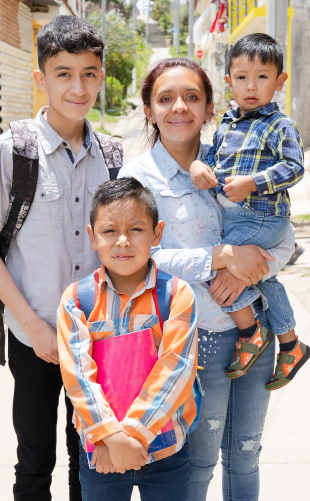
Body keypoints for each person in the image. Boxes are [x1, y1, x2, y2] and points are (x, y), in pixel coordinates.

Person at [118, 57, 295, 501]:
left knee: (246, 454)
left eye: (192, 97)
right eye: (165, 99)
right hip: (195, 341)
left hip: (257, 330)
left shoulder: (237, 156)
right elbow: (138, 260)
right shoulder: (137, 178)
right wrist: (220, 258)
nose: (180, 107)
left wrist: (248, 269)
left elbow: (284, 233)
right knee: (198, 465)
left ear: (210, 106)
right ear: (148, 110)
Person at [0, 16, 113, 501]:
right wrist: (31, 325)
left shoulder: (112, 157)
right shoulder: (12, 150)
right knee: (35, 459)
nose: (78, 86)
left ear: (101, 75)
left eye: (89, 73)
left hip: (97, 338)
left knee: (91, 458)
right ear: (41, 79)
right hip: (32, 334)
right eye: (63, 73)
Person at [57, 177, 199, 501]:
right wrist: (111, 438)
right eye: (109, 231)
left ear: (157, 233)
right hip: (102, 453)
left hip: (166, 450)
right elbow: (77, 376)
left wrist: (131, 437)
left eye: (136, 229)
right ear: (93, 237)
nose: (123, 241)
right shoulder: (77, 300)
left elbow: (176, 369)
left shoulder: (177, 295)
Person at [190, 34, 310, 389]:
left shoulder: (279, 125)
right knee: (263, 278)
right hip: (237, 218)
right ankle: (289, 345)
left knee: (220, 273)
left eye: (262, 76)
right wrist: (199, 165)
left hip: (261, 217)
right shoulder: (227, 123)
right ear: (228, 82)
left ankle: (251, 333)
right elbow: (211, 160)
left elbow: (294, 167)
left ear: (280, 81)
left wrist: (252, 183)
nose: (251, 85)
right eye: (241, 77)